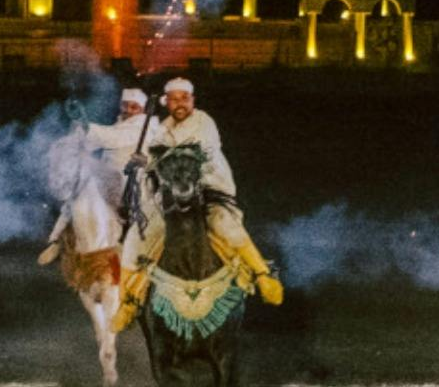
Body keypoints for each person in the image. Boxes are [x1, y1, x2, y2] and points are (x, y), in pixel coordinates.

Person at [112, 78, 283, 331]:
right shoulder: (161, 129)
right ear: (166, 103)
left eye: (184, 98)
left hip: (208, 192)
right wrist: (140, 161)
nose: (180, 103)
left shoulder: (204, 123)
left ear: (192, 101)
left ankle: (262, 276)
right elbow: (155, 159)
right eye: (174, 99)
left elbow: (189, 153)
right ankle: (128, 301)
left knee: (225, 225)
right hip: (169, 196)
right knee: (137, 237)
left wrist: (153, 157)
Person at [38, 87, 148, 266]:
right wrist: (77, 125)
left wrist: (86, 123)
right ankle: (57, 240)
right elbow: (89, 141)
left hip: (134, 178)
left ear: (142, 110)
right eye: (125, 105)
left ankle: (136, 248)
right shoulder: (118, 125)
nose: (128, 110)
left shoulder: (146, 126)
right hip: (109, 176)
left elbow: (114, 138)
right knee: (79, 189)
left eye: (134, 107)